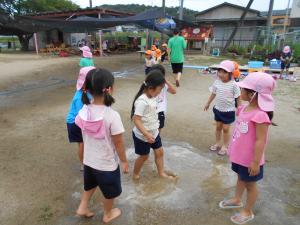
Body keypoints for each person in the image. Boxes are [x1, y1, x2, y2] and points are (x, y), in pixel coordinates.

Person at [219, 72, 276, 225]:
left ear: (253, 94)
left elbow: (260, 140)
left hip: (251, 159)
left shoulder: (260, 116)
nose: (240, 91)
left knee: (250, 185)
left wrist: (256, 162)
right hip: (240, 156)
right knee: (240, 177)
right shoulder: (245, 108)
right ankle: (237, 199)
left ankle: (248, 210)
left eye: (243, 89)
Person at [75, 68, 129, 223]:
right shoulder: (112, 116)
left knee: (90, 184)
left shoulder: (84, 111)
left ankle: (83, 206)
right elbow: (118, 143)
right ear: (109, 89)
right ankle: (107, 214)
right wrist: (124, 160)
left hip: (89, 161)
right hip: (106, 165)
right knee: (110, 193)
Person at [131, 70, 177, 180]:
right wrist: (146, 134)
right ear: (151, 88)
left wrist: (152, 132)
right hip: (142, 136)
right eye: (160, 89)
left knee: (160, 152)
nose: (160, 92)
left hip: (154, 132)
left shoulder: (153, 97)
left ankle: (161, 173)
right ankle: (135, 174)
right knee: (144, 156)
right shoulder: (142, 101)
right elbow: (136, 119)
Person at [204, 60, 241, 156]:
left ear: (230, 74)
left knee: (225, 128)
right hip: (218, 109)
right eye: (220, 71)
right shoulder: (217, 82)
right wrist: (208, 103)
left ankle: (225, 145)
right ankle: (217, 143)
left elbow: (238, 97)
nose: (221, 74)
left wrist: (240, 109)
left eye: (224, 72)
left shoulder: (234, 85)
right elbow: (213, 93)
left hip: (229, 111)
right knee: (218, 127)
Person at [66, 66, 95, 170]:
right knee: (82, 143)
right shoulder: (80, 97)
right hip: (75, 122)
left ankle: (86, 160)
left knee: (84, 143)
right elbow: (81, 117)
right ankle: (84, 164)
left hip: (81, 120)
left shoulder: (88, 91)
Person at [147, 64, 176, 132]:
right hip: (150, 111)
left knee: (158, 129)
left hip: (160, 111)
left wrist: (165, 81)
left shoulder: (164, 85)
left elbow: (174, 91)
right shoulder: (148, 85)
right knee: (149, 129)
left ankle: (157, 139)